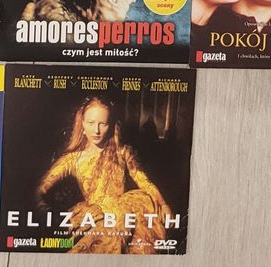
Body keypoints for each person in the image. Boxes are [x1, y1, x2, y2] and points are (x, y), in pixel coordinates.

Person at [37, 97, 171, 254]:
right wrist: (49, 215)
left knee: (137, 202)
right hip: (98, 219)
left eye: (103, 124)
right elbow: (40, 190)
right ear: (82, 124)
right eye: (91, 123)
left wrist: (164, 205)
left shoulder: (123, 152)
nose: (96, 130)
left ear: (111, 125)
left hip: (125, 217)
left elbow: (145, 183)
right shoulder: (72, 159)